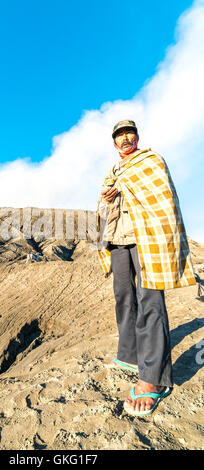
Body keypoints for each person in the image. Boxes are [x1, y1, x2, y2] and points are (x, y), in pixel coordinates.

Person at [96, 119, 196, 417]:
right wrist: (108, 197)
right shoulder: (113, 171)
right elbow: (104, 205)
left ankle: (153, 378)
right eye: (119, 136)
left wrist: (123, 189)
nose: (125, 138)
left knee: (150, 299)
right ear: (114, 143)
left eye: (129, 133)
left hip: (145, 239)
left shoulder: (150, 161)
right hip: (118, 240)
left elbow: (160, 199)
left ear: (137, 136)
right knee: (124, 297)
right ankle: (128, 355)